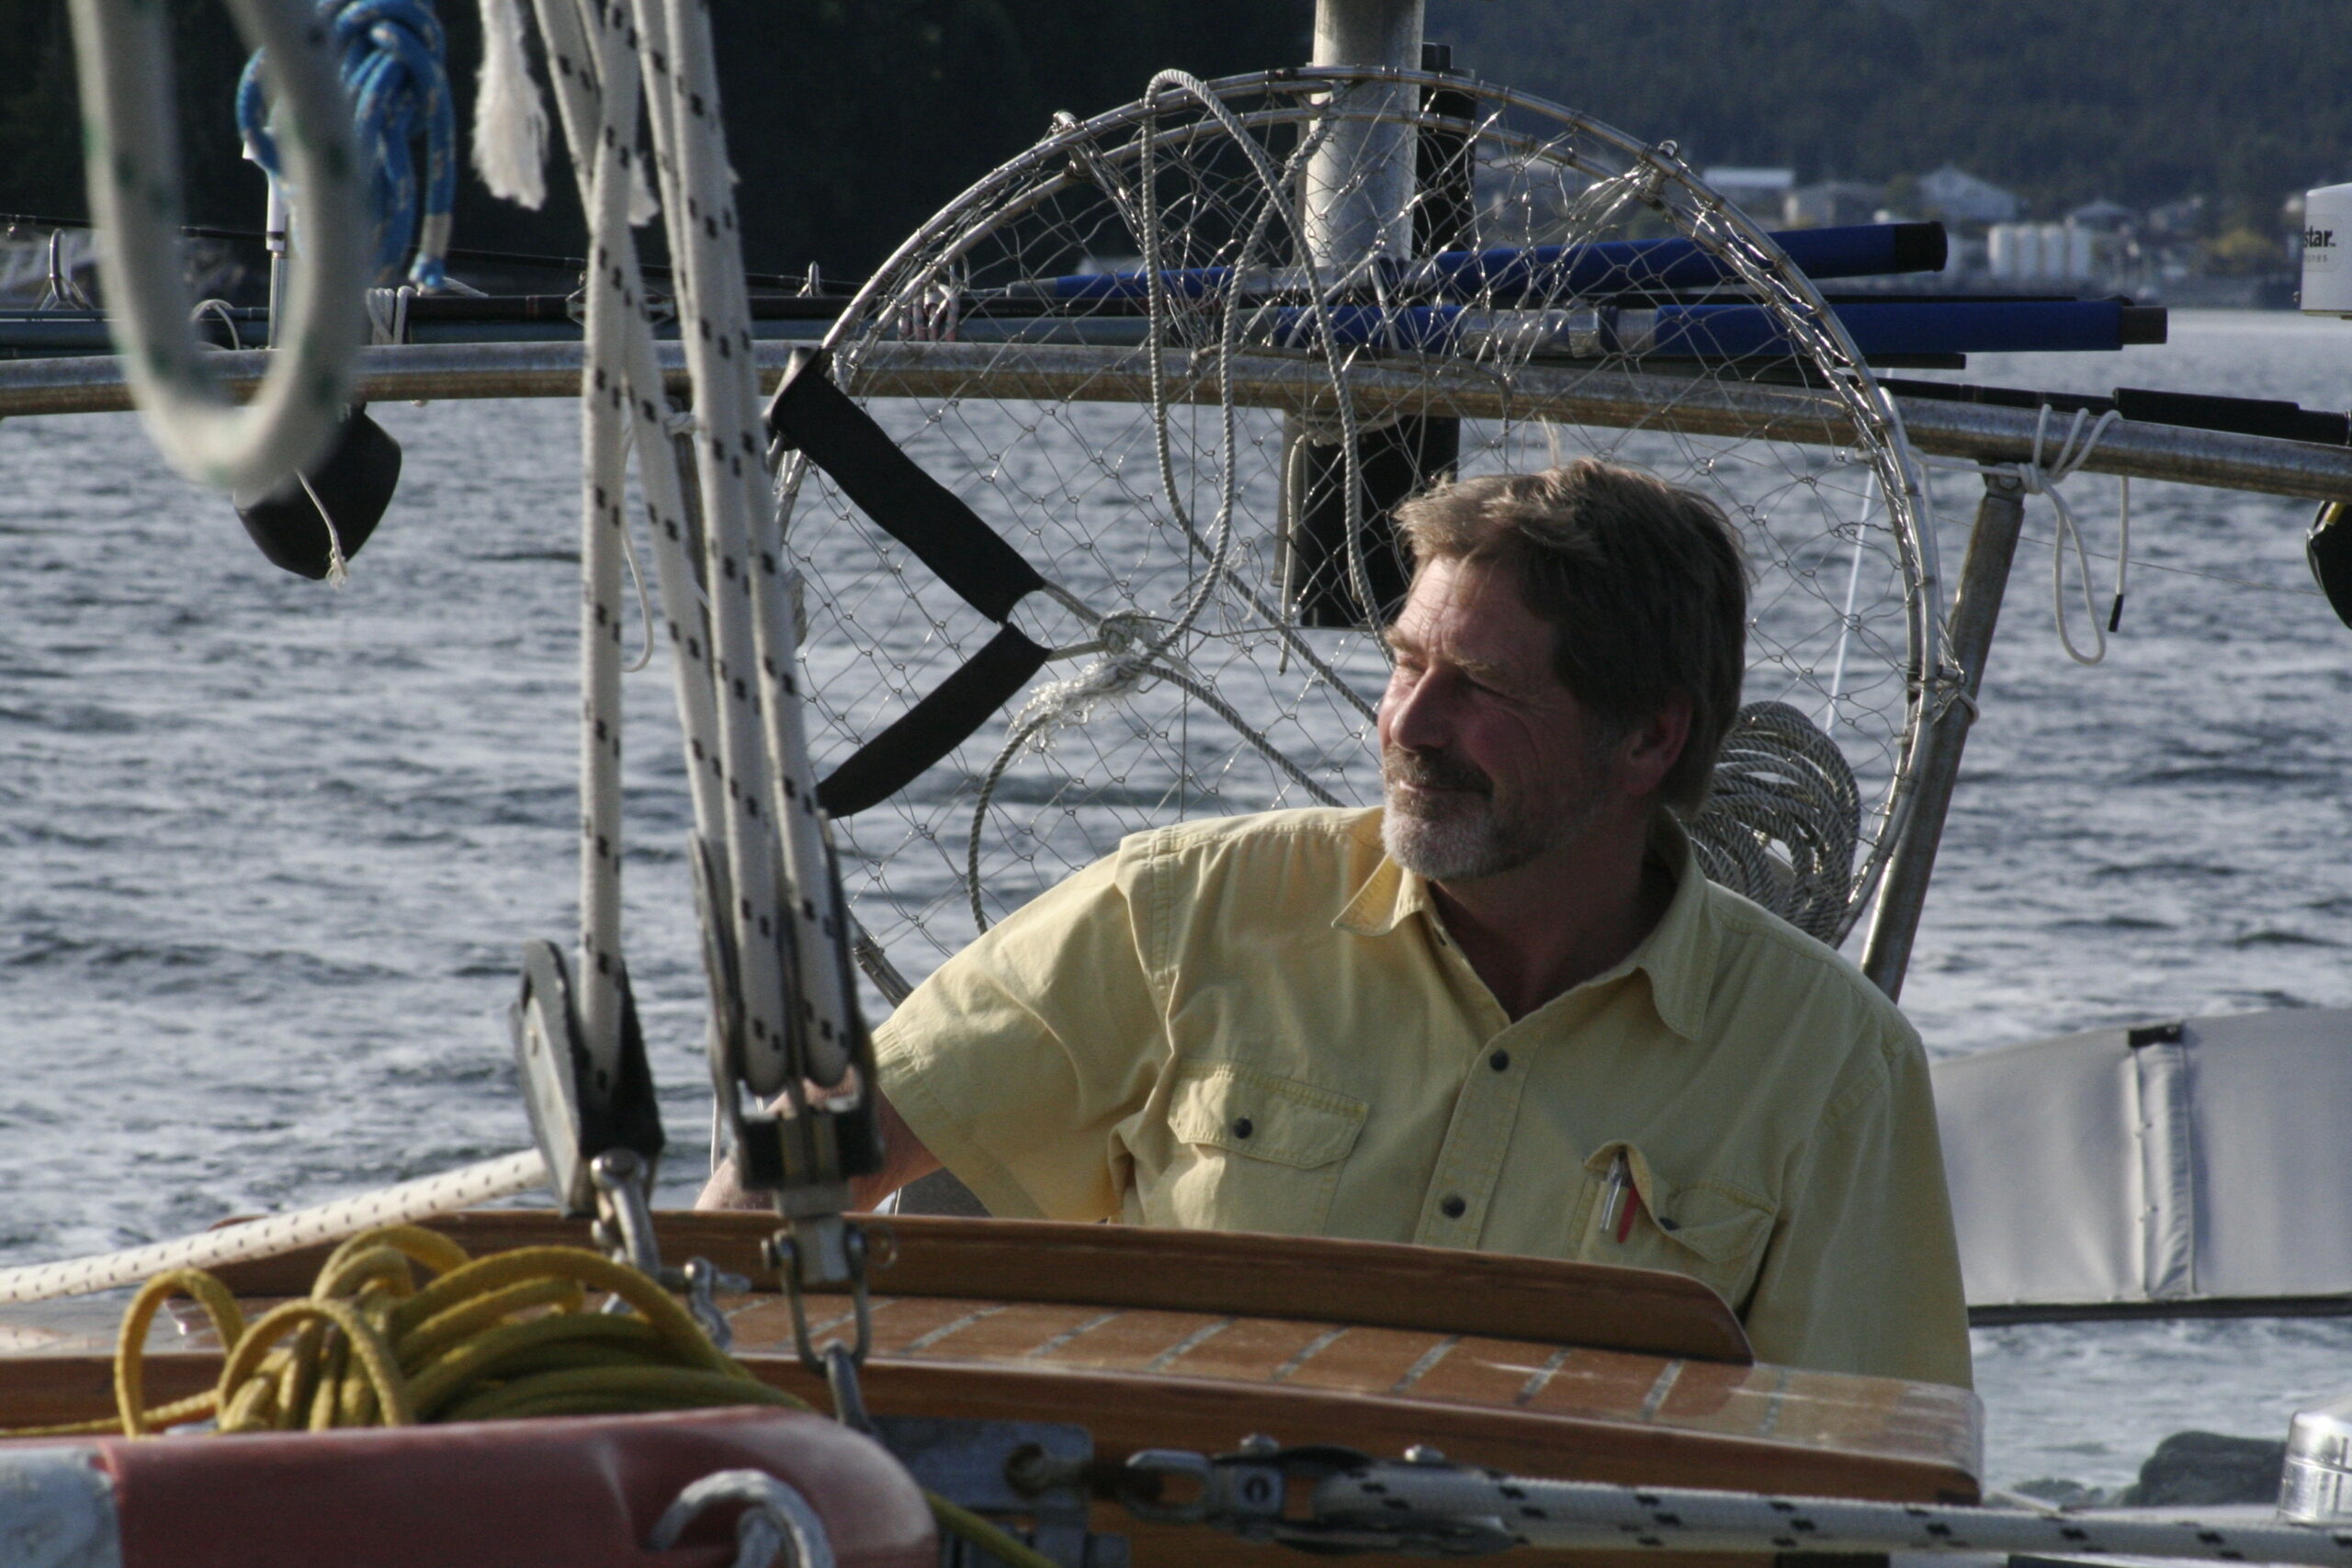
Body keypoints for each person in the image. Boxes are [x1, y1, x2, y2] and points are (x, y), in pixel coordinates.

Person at [701, 458, 1973, 1389]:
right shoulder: (1187, 915)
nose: (1407, 726)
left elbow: (1859, 1475)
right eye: (1404, 662)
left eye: (1475, 690)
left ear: (1649, 737)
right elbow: (806, 1163)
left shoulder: (1833, 1070)